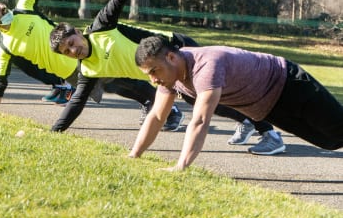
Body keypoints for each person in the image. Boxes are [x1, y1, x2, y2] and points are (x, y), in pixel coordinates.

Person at [49, 0, 283, 152]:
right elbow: (77, 102)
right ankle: (248, 121)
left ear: (78, 33)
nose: (73, 50)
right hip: (160, 73)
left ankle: (270, 134)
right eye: (66, 51)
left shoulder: (101, 27)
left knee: (209, 96)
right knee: (202, 100)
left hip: (177, 51)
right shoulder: (88, 69)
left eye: (71, 42)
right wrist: (54, 132)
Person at [130, 34, 343, 171]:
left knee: (340, 132)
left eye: (154, 71)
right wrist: (134, 155)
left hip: (290, 84)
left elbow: (200, 120)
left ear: (171, 58)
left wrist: (181, 166)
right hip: (269, 108)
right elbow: (157, 116)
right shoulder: (170, 77)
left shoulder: (206, 67)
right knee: (330, 142)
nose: (153, 80)